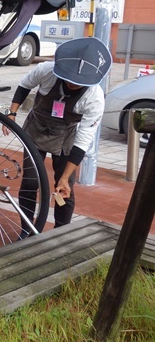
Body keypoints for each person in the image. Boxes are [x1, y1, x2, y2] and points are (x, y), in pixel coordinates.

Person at [6, 37, 111, 233]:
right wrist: (11, 112)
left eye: (79, 82)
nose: (72, 83)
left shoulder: (94, 97)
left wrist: (66, 176)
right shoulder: (47, 70)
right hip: (36, 129)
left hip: (66, 137)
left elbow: (84, 139)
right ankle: (26, 230)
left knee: (65, 187)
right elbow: (24, 84)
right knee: (30, 182)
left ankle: (60, 232)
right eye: (70, 78)